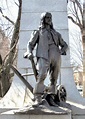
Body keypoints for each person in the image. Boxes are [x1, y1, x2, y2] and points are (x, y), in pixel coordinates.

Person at [26, 12, 68, 106]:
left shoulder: (56, 34)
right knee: (41, 75)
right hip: (44, 55)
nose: (49, 19)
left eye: (50, 17)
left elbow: (65, 45)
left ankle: (51, 97)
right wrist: (29, 52)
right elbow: (30, 44)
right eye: (47, 17)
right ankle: (37, 97)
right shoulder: (38, 32)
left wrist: (61, 51)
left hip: (56, 57)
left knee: (54, 78)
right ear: (43, 19)